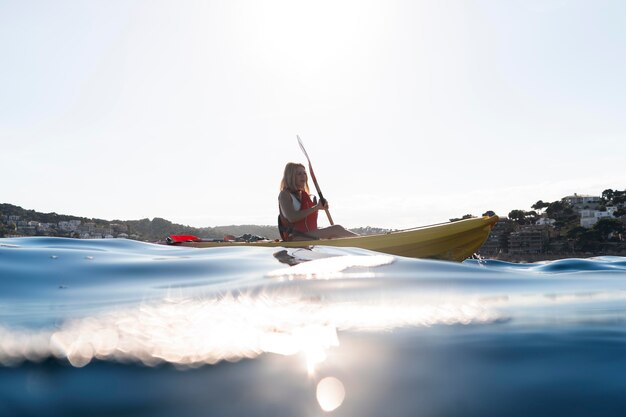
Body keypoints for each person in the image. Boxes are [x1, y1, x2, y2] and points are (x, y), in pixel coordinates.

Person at [278, 162, 358, 241]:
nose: (303, 176)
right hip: (295, 237)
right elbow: (292, 217)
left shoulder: (304, 195)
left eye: (304, 173)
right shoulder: (284, 195)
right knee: (336, 228)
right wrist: (316, 207)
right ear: (291, 177)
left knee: (335, 233)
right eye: (299, 174)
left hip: (307, 235)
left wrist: (321, 206)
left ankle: (359, 241)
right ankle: (362, 240)